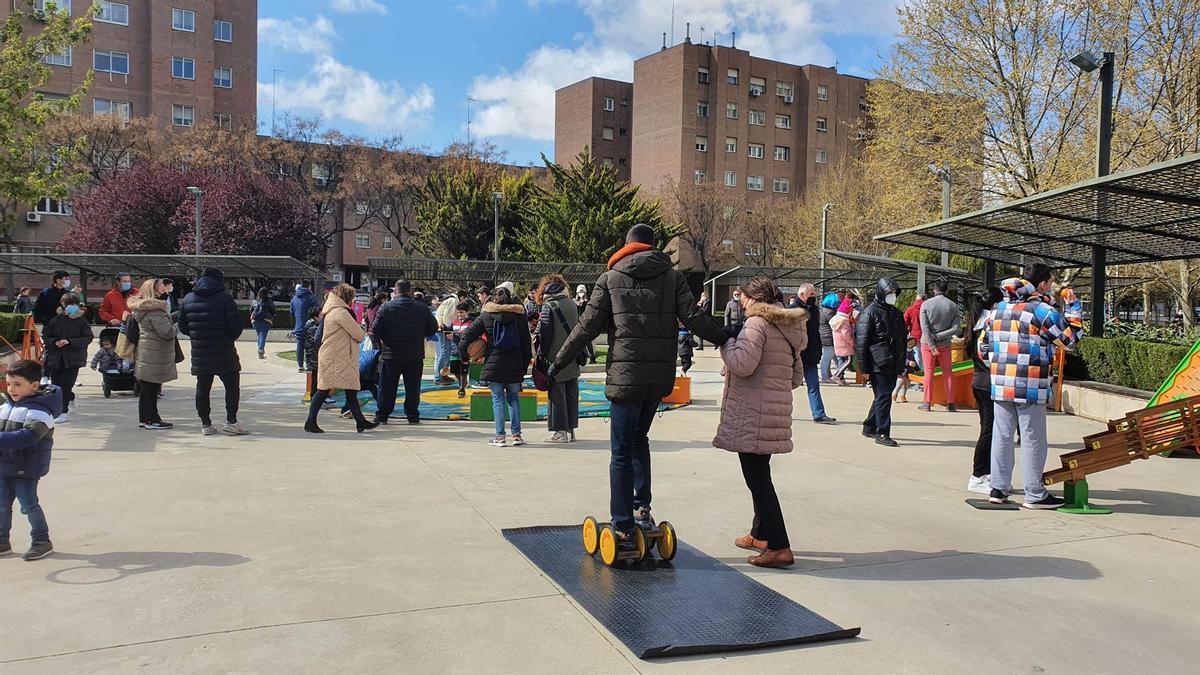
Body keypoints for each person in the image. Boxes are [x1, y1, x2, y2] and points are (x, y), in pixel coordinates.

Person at [550, 223, 728, 554]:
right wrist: (725, 337)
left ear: (627, 245)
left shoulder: (610, 279)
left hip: (625, 378)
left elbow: (586, 327)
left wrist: (558, 362)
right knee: (639, 441)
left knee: (620, 451)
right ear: (652, 246)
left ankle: (621, 522)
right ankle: (641, 509)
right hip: (657, 378)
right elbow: (693, 317)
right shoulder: (672, 278)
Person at [713, 277, 806, 568]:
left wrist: (726, 342)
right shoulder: (789, 325)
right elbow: (795, 377)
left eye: (743, 297)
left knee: (758, 480)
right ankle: (760, 533)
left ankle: (779, 546)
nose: (740, 302)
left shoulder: (757, 324)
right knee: (760, 473)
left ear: (755, 299)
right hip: (774, 412)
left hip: (752, 413)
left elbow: (742, 364)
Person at [980, 265, 1082, 508]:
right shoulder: (1042, 311)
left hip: (1001, 383)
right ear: (1043, 284)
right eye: (1051, 281)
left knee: (1002, 436)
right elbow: (1071, 341)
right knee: (1032, 438)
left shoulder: (997, 310)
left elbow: (983, 348)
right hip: (1031, 384)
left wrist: (1000, 367)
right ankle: (1035, 493)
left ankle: (998, 488)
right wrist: (1073, 307)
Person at [0, 359, 61, 561]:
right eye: (9, 384)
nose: (11, 389)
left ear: (34, 386)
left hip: (26, 468)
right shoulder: (7, 406)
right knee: (1, 504)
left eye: (17, 384)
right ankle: (2, 541)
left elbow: (27, 438)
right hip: (4, 466)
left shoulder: (41, 412)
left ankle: (42, 541)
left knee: (28, 506)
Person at [459, 286, 532, 446]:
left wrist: (464, 355)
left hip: (494, 363)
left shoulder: (486, 315)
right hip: (514, 363)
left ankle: (500, 437)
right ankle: (516, 435)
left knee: (497, 400)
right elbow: (526, 342)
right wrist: (525, 364)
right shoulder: (519, 316)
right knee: (514, 399)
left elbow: (467, 335)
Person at [178, 267, 247, 436]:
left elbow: (183, 327)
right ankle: (231, 421)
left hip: (200, 351)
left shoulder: (188, 299)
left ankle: (205, 424)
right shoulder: (225, 299)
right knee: (232, 386)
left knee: (203, 387)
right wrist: (227, 336)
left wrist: (198, 335)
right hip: (224, 350)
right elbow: (236, 326)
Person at [305, 284, 379, 434]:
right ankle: (310, 422)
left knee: (349, 390)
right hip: (337, 357)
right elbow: (359, 334)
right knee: (324, 390)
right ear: (347, 298)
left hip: (337, 356)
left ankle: (360, 422)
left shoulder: (332, 311)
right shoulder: (340, 312)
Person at [371, 280, 438, 425]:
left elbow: (374, 330)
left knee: (387, 388)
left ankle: (382, 415)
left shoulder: (385, 308)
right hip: (414, 354)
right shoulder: (421, 308)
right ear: (410, 291)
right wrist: (421, 334)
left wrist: (382, 344)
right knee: (413, 388)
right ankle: (412, 415)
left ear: (395, 290)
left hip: (390, 354)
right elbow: (433, 328)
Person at [855, 277, 907, 447]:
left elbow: (902, 340)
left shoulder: (896, 313)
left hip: (893, 362)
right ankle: (882, 432)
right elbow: (862, 343)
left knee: (881, 397)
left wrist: (902, 364)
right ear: (880, 293)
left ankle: (869, 425)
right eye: (889, 293)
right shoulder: (869, 313)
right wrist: (864, 368)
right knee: (884, 397)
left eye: (893, 293)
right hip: (878, 362)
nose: (892, 296)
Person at [966, 287, 1003, 495]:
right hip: (987, 384)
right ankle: (978, 475)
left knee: (988, 430)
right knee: (988, 431)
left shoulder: (977, 324)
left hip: (979, 382)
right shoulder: (987, 327)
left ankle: (985, 473)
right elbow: (987, 358)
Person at [534, 274, 580, 443]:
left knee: (557, 395)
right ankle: (571, 430)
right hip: (573, 355)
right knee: (571, 393)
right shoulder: (572, 304)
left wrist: (542, 354)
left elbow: (545, 334)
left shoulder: (548, 306)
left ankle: (560, 432)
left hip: (555, 357)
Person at [129, 279, 177, 430]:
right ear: (154, 291)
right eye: (162, 289)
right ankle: (151, 419)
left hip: (147, 351)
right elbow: (167, 332)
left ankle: (146, 418)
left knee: (147, 387)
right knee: (151, 388)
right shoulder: (155, 310)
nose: (165, 292)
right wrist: (176, 327)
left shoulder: (142, 309)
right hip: (155, 353)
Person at [41, 292, 93, 423]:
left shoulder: (81, 322)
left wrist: (70, 341)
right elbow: (46, 337)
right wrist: (54, 342)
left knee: (65, 386)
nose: (73, 307)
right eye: (70, 304)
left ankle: (63, 412)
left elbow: (87, 337)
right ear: (63, 305)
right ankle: (69, 399)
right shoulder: (54, 321)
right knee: (56, 386)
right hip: (56, 358)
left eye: (75, 304)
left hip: (73, 359)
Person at [918, 280, 962, 412]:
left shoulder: (925, 304)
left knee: (929, 372)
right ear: (947, 291)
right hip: (945, 345)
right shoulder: (953, 306)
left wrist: (932, 343)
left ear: (933, 290)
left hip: (927, 344)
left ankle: (927, 402)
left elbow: (924, 328)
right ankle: (951, 403)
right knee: (948, 373)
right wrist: (940, 336)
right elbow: (956, 328)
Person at [795, 283, 836, 424]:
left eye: (814, 293)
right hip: (796, 356)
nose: (815, 296)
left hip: (811, 355)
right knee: (783, 386)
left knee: (814, 386)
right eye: (811, 294)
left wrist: (818, 351)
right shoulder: (793, 310)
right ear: (802, 295)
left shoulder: (815, 310)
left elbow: (815, 333)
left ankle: (819, 414)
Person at [290, 281, 317, 372]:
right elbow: (316, 310)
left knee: (300, 346)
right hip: (309, 326)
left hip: (298, 325)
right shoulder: (311, 297)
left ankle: (300, 365)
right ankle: (309, 364)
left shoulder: (294, 298)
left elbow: (292, 312)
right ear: (309, 287)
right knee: (310, 347)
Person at [829, 296, 856, 383]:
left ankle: (841, 379)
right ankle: (836, 375)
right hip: (845, 345)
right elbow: (846, 333)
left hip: (838, 344)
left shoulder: (836, 319)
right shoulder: (844, 321)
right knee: (849, 360)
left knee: (841, 361)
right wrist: (852, 342)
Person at [433, 293, 458, 385]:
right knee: (444, 353)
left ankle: (442, 375)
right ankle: (438, 376)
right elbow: (448, 316)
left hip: (441, 329)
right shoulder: (453, 301)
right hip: (443, 329)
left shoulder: (448, 301)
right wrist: (448, 330)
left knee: (444, 353)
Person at [449, 303, 473, 398]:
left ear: (467, 312)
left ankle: (462, 388)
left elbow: (469, 336)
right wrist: (444, 328)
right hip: (454, 349)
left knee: (463, 369)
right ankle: (462, 382)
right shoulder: (454, 322)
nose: (460, 315)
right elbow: (450, 330)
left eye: (462, 312)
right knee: (454, 369)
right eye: (458, 313)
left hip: (465, 349)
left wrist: (455, 336)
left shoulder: (472, 322)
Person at [817, 292, 840, 383]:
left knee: (828, 357)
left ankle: (828, 375)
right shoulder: (830, 313)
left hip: (824, 336)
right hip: (829, 337)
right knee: (827, 358)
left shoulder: (823, 310)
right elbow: (835, 324)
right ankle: (825, 376)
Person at [299, 307, 322, 400]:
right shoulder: (312, 326)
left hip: (315, 355)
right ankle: (314, 396)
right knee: (315, 376)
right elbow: (316, 341)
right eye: (321, 315)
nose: (323, 316)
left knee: (316, 375)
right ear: (316, 317)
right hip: (313, 355)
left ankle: (316, 395)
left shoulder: (315, 324)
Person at [250, 288, 276, 360]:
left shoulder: (255, 301)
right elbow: (273, 312)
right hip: (266, 320)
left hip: (255, 321)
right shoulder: (269, 301)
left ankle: (260, 350)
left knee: (259, 335)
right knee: (263, 335)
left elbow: (251, 310)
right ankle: (260, 350)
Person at [892, 336, 919, 403]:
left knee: (906, 384)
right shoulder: (902, 350)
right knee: (900, 383)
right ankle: (894, 394)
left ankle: (903, 396)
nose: (911, 343)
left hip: (909, 371)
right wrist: (908, 362)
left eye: (913, 342)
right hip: (902, 370)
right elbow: (901, 359)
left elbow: (914, 360)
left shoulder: (912, 351)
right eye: (909, 342)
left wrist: (917, 369)